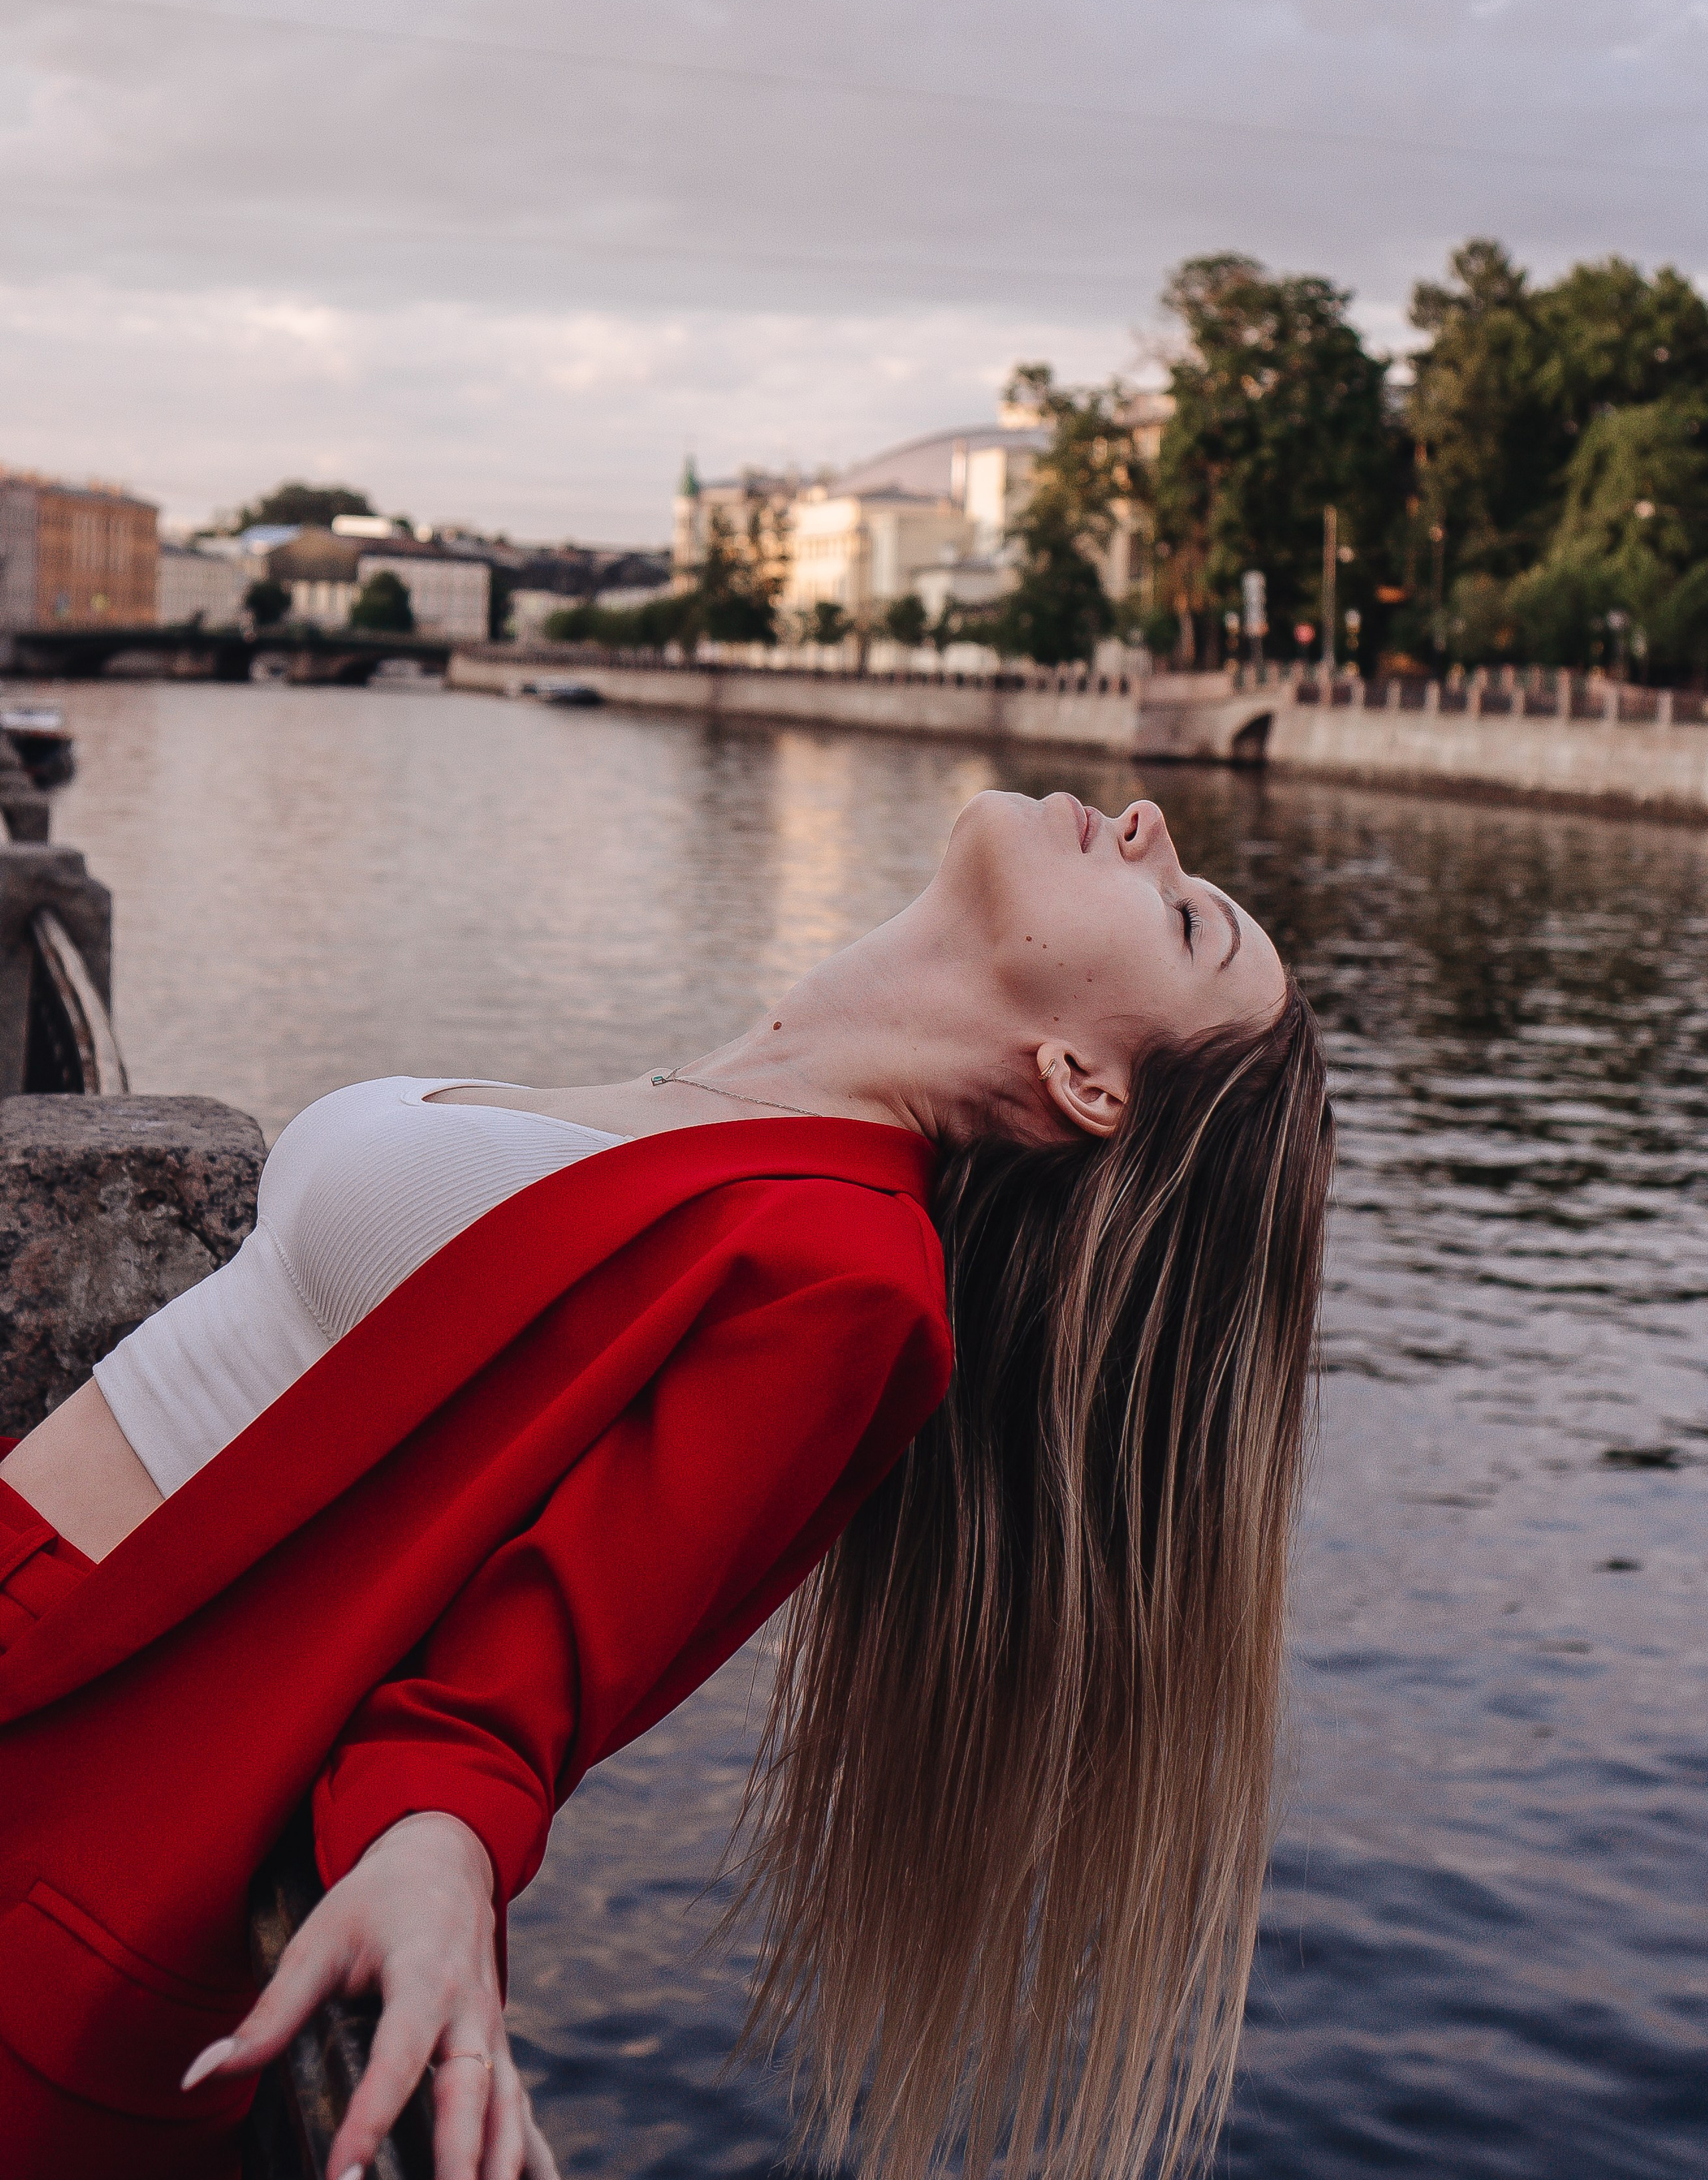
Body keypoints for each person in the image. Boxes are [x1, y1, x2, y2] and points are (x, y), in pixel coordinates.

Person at [0, 791, 1330, 2180]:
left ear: (1084, 1078)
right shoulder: (730, 1110)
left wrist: (442, 1841)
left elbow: (524, 1676)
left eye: (1181, 917)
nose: (1145, 822)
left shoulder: (852, 1279)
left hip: (65, 1797)